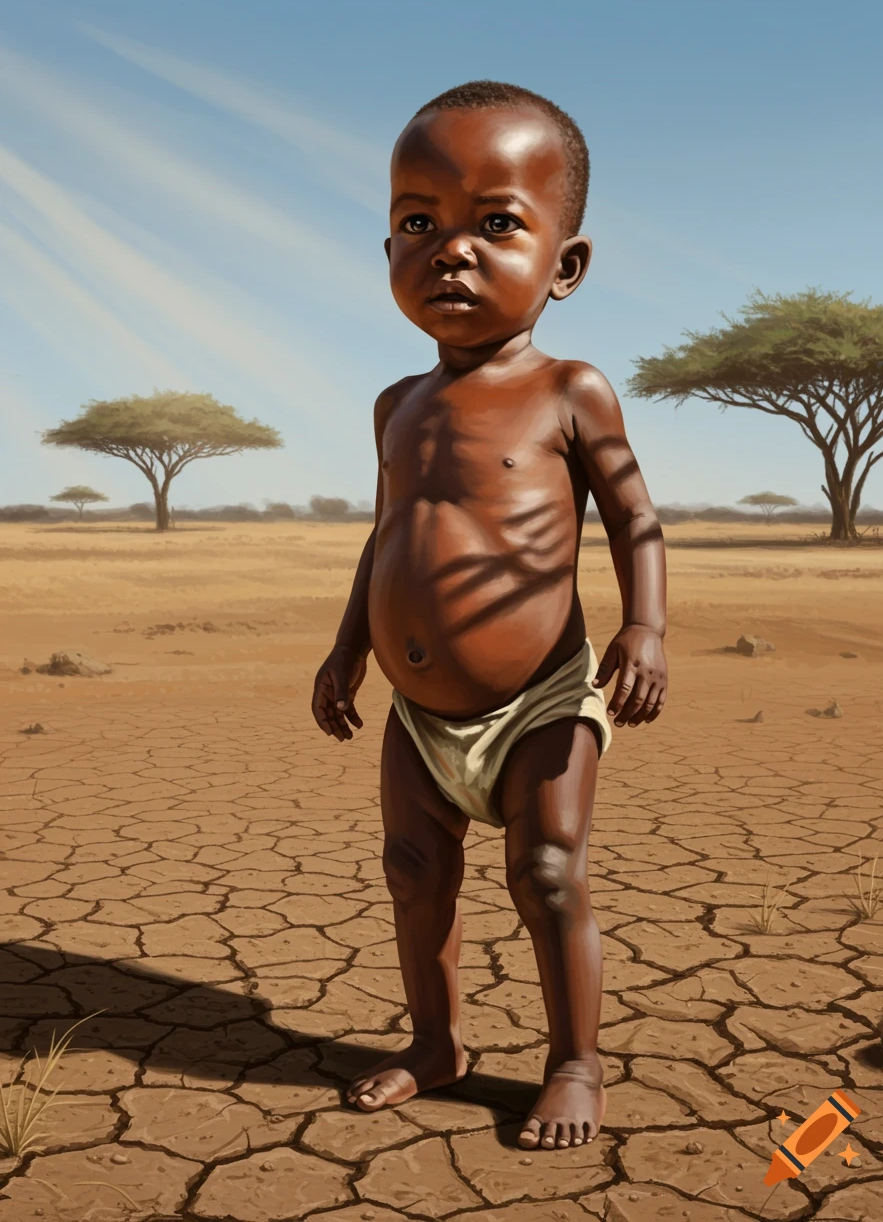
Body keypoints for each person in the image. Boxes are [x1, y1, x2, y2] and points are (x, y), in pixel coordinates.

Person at [312, 80, 668, 1152]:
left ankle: (573, 1059)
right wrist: (345, 648)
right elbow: (385, 538)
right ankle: (435, 1042)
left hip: (540, 698)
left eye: (495, 222)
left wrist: (643, 628)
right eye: (418, 222)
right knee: (413, 870)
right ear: (386, 254)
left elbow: (633, 516)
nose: (450, 250)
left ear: (564, 265)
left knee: (546, 871)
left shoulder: (570, 388)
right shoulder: (395, 406)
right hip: (418, 713)